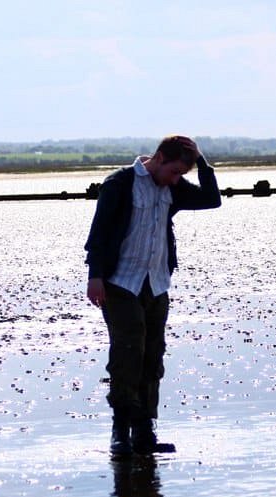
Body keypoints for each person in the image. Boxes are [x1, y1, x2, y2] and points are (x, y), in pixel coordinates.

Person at [84, 135, 222, 457]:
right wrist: (95, 277)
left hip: (156, 283)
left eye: (181, 174)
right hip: (120, 282)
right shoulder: (120, 184)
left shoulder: (173, 187)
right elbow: (99, 233)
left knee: (152, 355)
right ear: (159, 158)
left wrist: (201, 161)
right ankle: (120, 432)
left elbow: (211, 199)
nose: (176, 179)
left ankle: (145, 431)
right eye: (174, 171)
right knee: (127, 352)